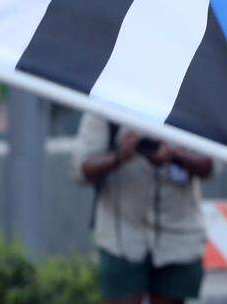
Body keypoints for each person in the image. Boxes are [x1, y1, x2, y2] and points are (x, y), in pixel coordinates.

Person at [74, 114, 215, 304]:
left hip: (178, 236)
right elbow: (81, 170)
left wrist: (174, 155)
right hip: (121, 235)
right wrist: (120, 155)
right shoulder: (106, 99)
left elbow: (212, 164)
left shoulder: (193, 100)